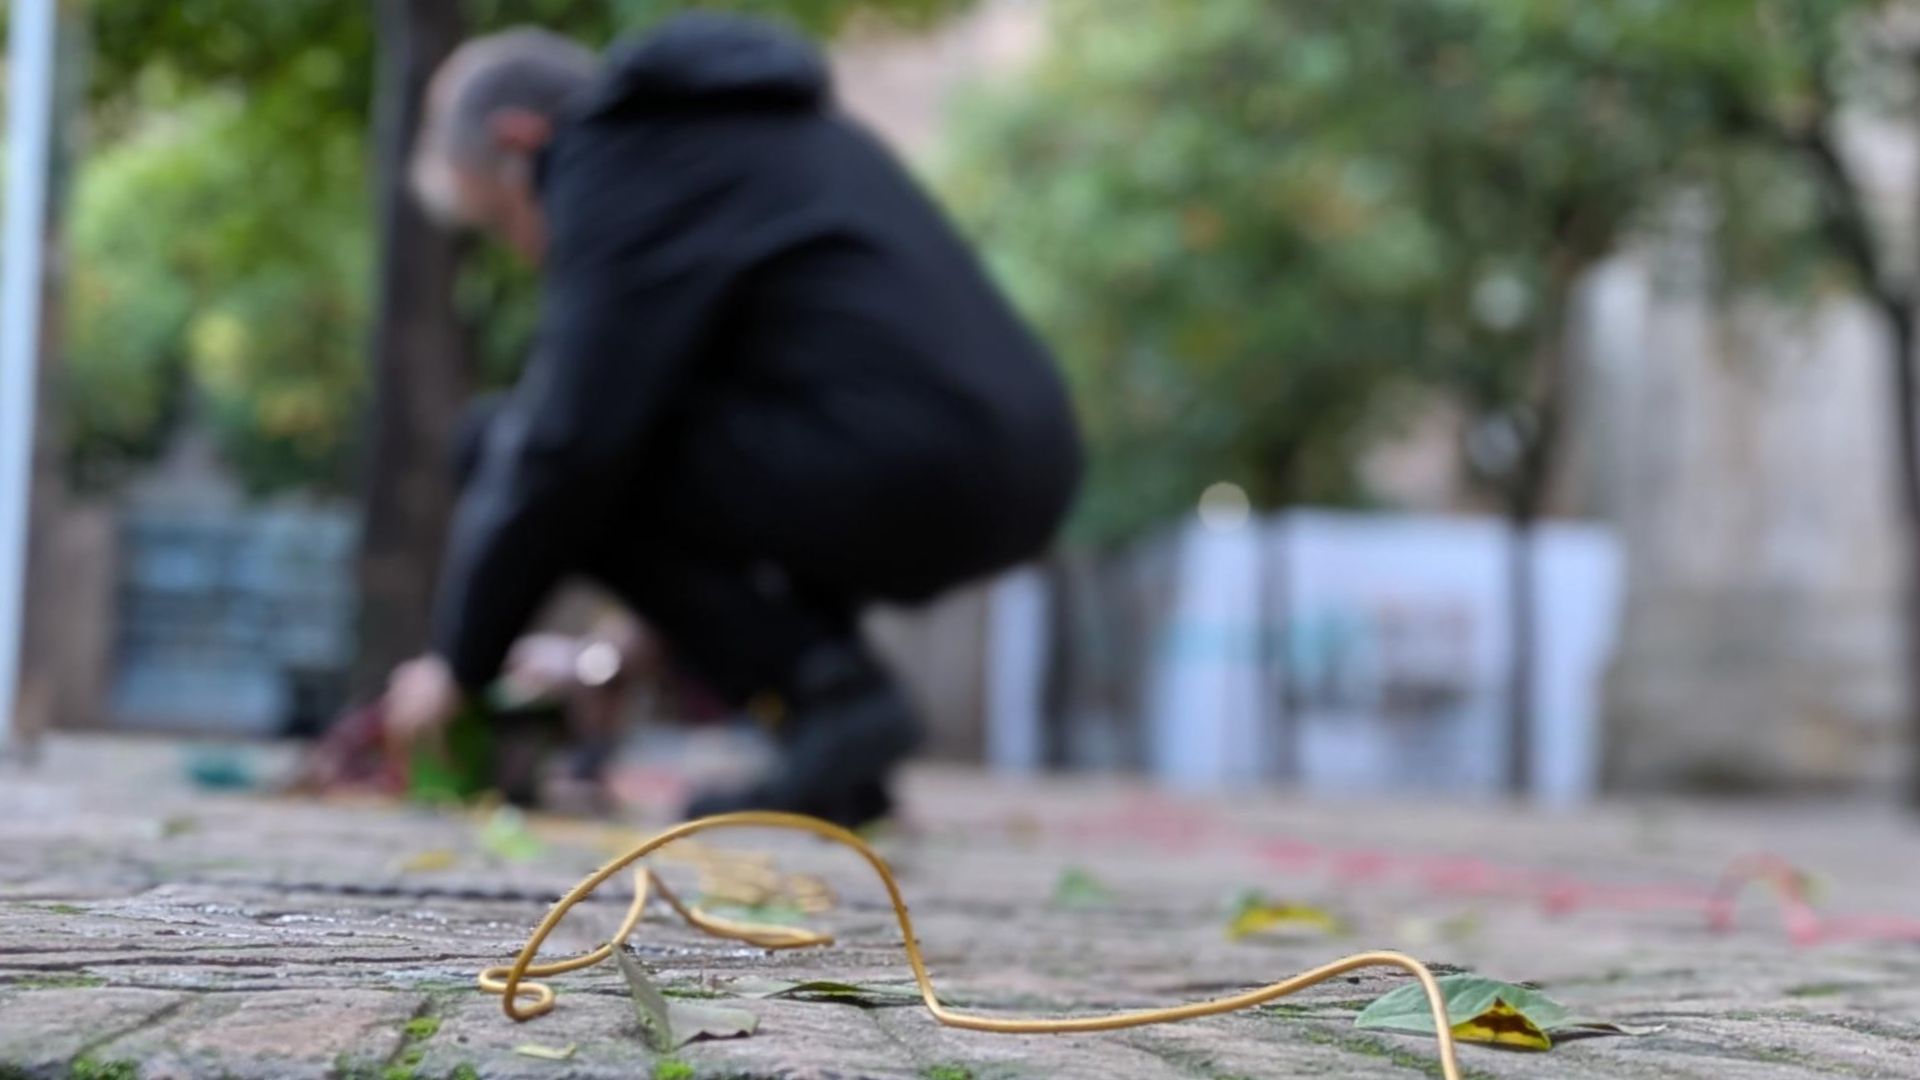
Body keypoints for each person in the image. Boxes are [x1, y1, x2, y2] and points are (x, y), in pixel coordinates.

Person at [383, 15, 1082, 828]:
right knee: (594, 440)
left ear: (522, 138)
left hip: (911, 458)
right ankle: (836, 757)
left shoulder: (614, 157)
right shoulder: (740, 139)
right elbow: (714, 455)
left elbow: (565, 446)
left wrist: (455, 665)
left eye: (505, 220)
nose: (527, 251)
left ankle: (832, 697)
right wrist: (617, 652)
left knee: (502, 444)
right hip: (1010, 463)